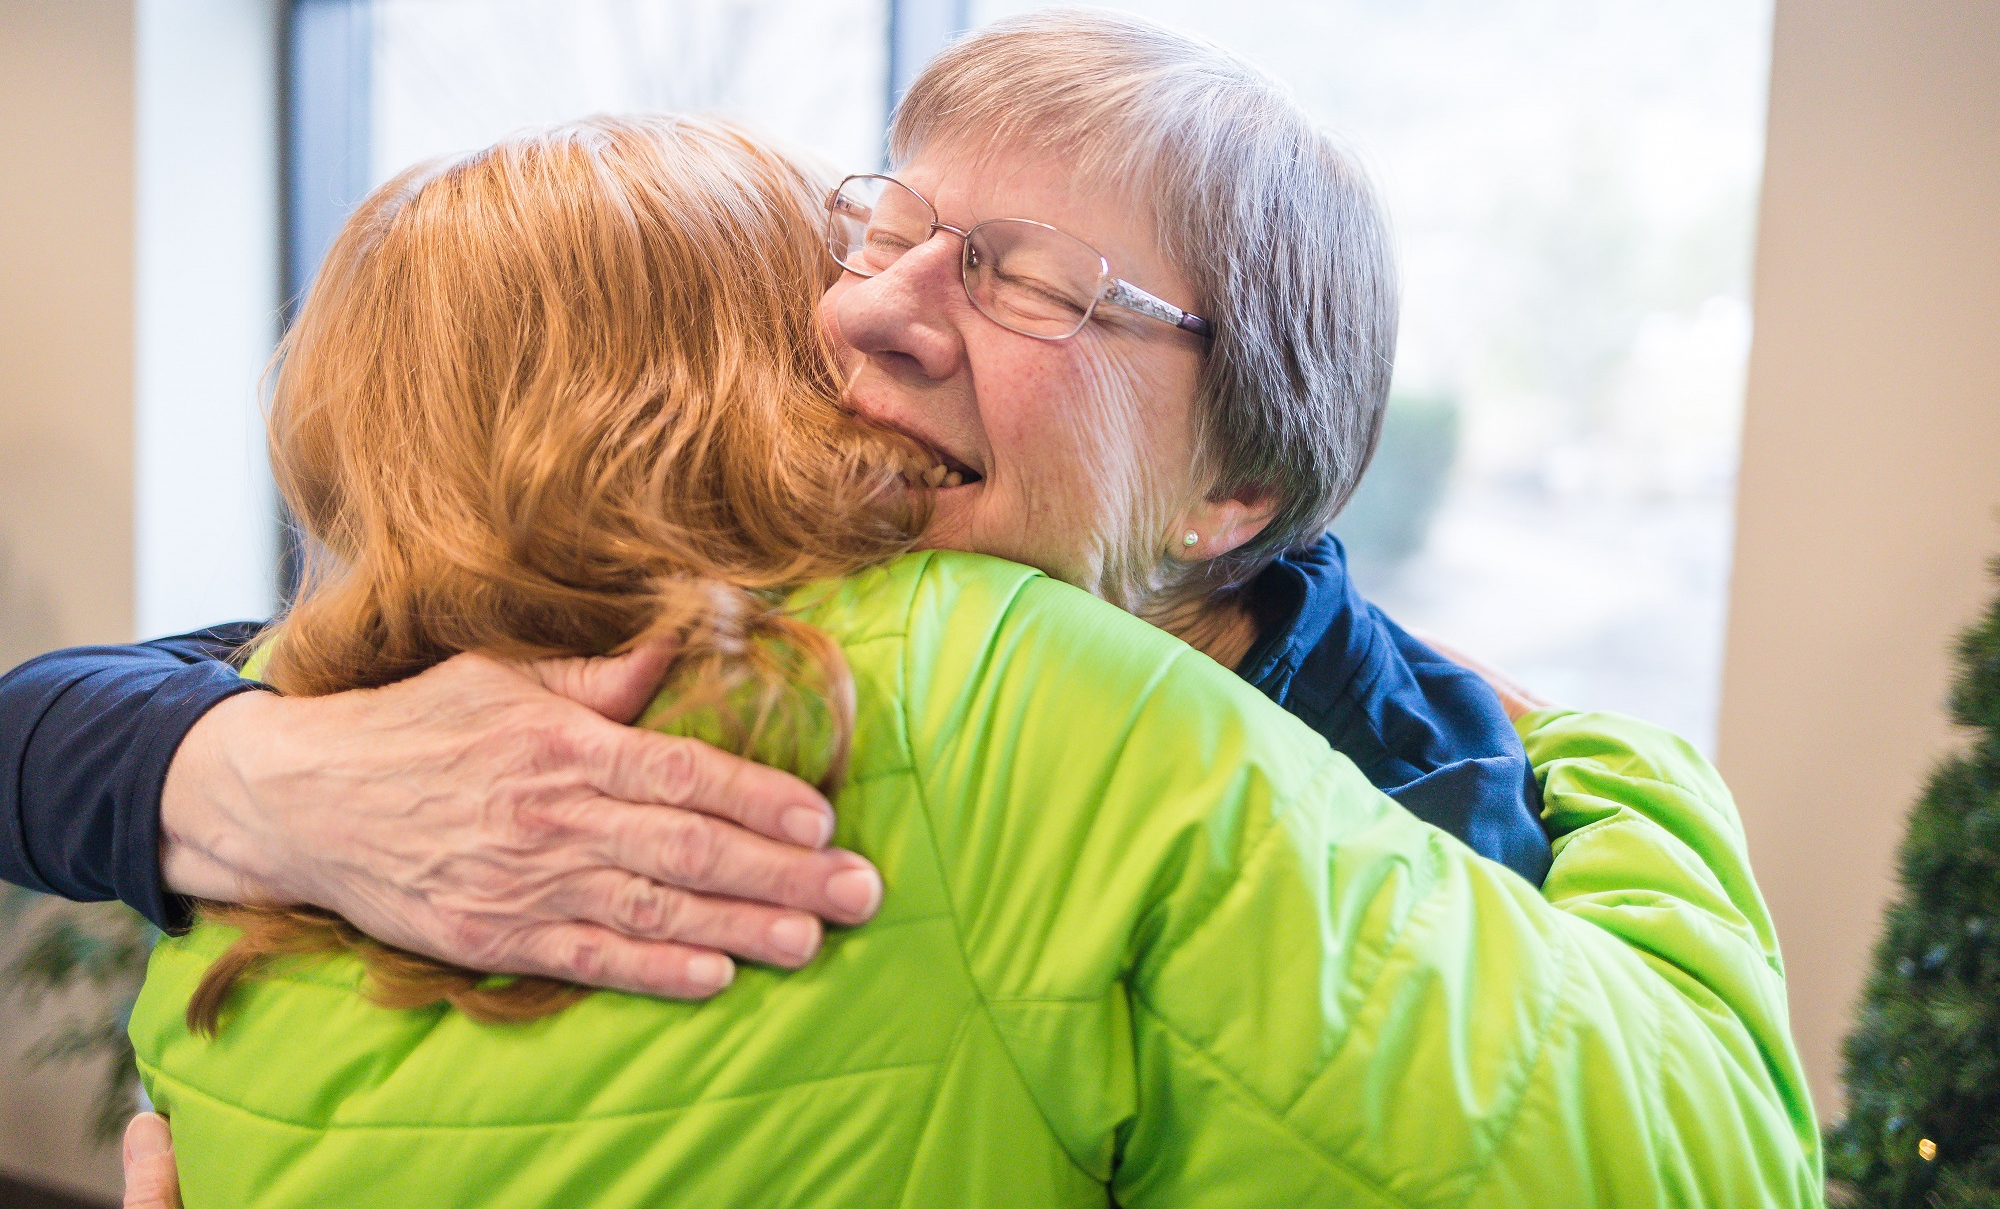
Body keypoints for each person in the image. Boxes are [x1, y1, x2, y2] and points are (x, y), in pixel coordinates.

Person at [130, 111, 1816, 1207]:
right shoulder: (994, 682)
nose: (875, 316)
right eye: (843, 262)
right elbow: (1698, 1165)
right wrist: (1618, 760)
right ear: (711, 370)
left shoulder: (259, 800)